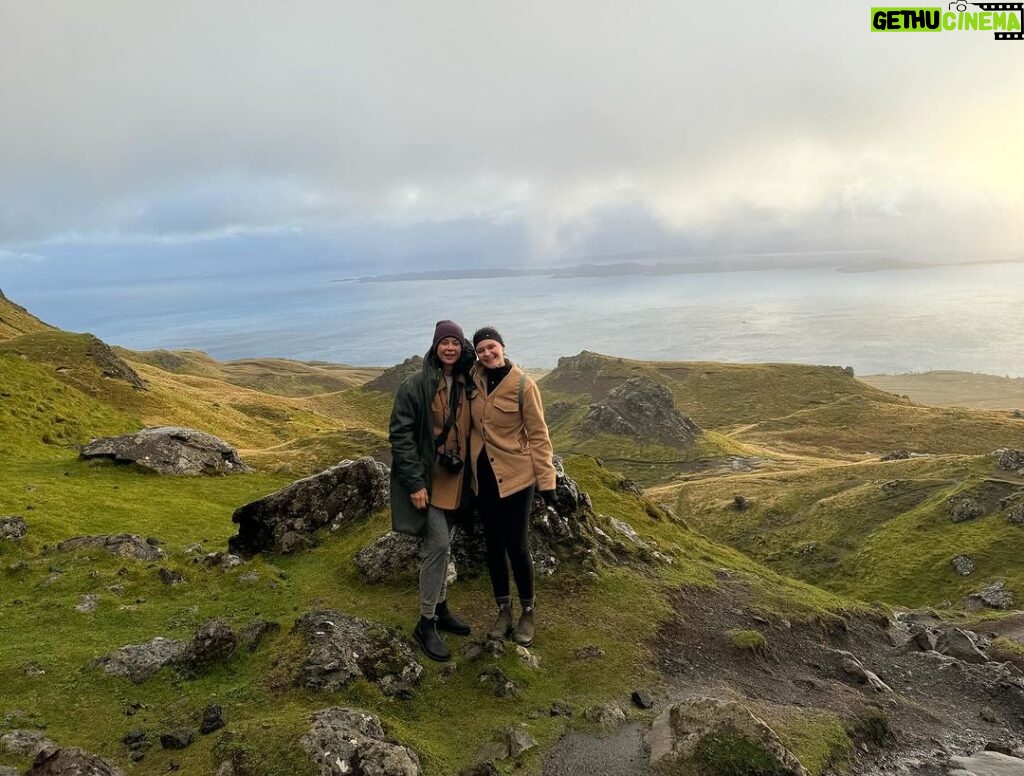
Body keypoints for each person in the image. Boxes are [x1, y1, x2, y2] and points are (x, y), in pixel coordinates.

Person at [389, 320, 474, 661]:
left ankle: (440, 608)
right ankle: (425, 623)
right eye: (445, 342)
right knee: (437, 544)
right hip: (429, 480)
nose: (450, 348)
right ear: (435, 347)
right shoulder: (416, 384)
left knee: (447, 544)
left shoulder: (469, 382)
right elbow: (401, 436)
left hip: (459, 481)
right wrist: (414, 484)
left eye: (456, 342)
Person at [469, 326, 556, 647]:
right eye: (480, 350)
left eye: (491, 347)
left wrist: (547, 482)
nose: (486, 354)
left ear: (502, 347)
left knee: (517, 545)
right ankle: (503, 610)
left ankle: (528, 612)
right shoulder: (474, 382)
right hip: (484, 479)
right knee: (493, 545)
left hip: (518, 477)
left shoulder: (523, 384)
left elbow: (538, 435)